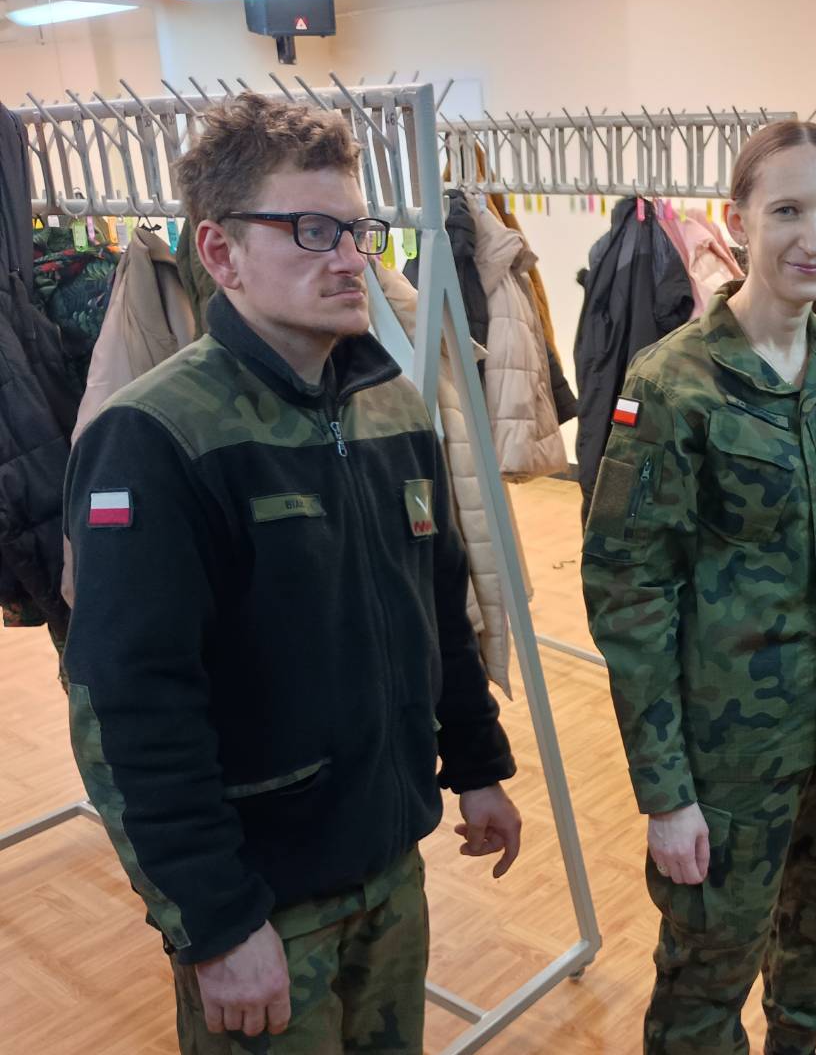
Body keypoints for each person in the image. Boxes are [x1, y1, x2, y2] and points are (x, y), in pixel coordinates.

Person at [63, 93, 523, 1053]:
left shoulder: (392, 407)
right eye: (313, 231)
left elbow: (436, 609)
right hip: (263, 900)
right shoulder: (153, 437)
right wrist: (216, 922)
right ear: (221, 252)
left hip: (392, 865)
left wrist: (478, 765)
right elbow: (132, 707)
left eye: (357, 229)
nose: (352, 258)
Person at [581, 120, 816, 1055]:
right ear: (736, 221)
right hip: (733, 759)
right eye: (786, 211)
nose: (812, 239)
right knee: (706, 982)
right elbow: (629, 592)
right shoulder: (673, 385)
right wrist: (666, 792)